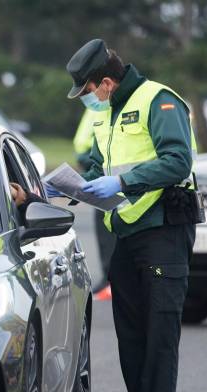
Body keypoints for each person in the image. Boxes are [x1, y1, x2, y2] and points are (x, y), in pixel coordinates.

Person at [57, 38, 199, 392]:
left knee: (159, 342)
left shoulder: (159, 100)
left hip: (162, 233)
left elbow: (178, 160)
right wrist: (60, 188)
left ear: (106, 82)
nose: (89, 98)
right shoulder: (106, 113)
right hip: (125, 236)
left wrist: (122, 182)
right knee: (132, 342)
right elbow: (94, 166)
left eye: (88, 90)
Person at [73, 109, 116, 292]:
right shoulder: (96, 106)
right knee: (103, 230)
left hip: (114, 179)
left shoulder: (111, 106)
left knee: (110, 233)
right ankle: (109, 278)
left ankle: (112, 279)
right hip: (95, 168)